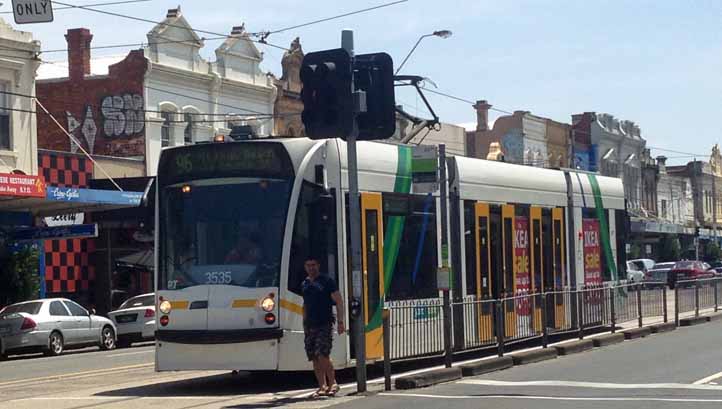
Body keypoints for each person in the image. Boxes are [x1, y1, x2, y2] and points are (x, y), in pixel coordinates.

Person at [301, 256, 345, 397]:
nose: (311, 268)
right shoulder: (305, 284)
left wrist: (340, 322)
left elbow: (338, 301)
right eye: (308, 265)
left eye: (313, 265)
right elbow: (305, 305)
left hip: (324, 323)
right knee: (314, 356)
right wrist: (304, 324)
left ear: (318, 265)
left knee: (323, 354)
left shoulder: (327, 281)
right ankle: (321, 386)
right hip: (310, 325)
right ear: (305, 267)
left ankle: (333, 383)